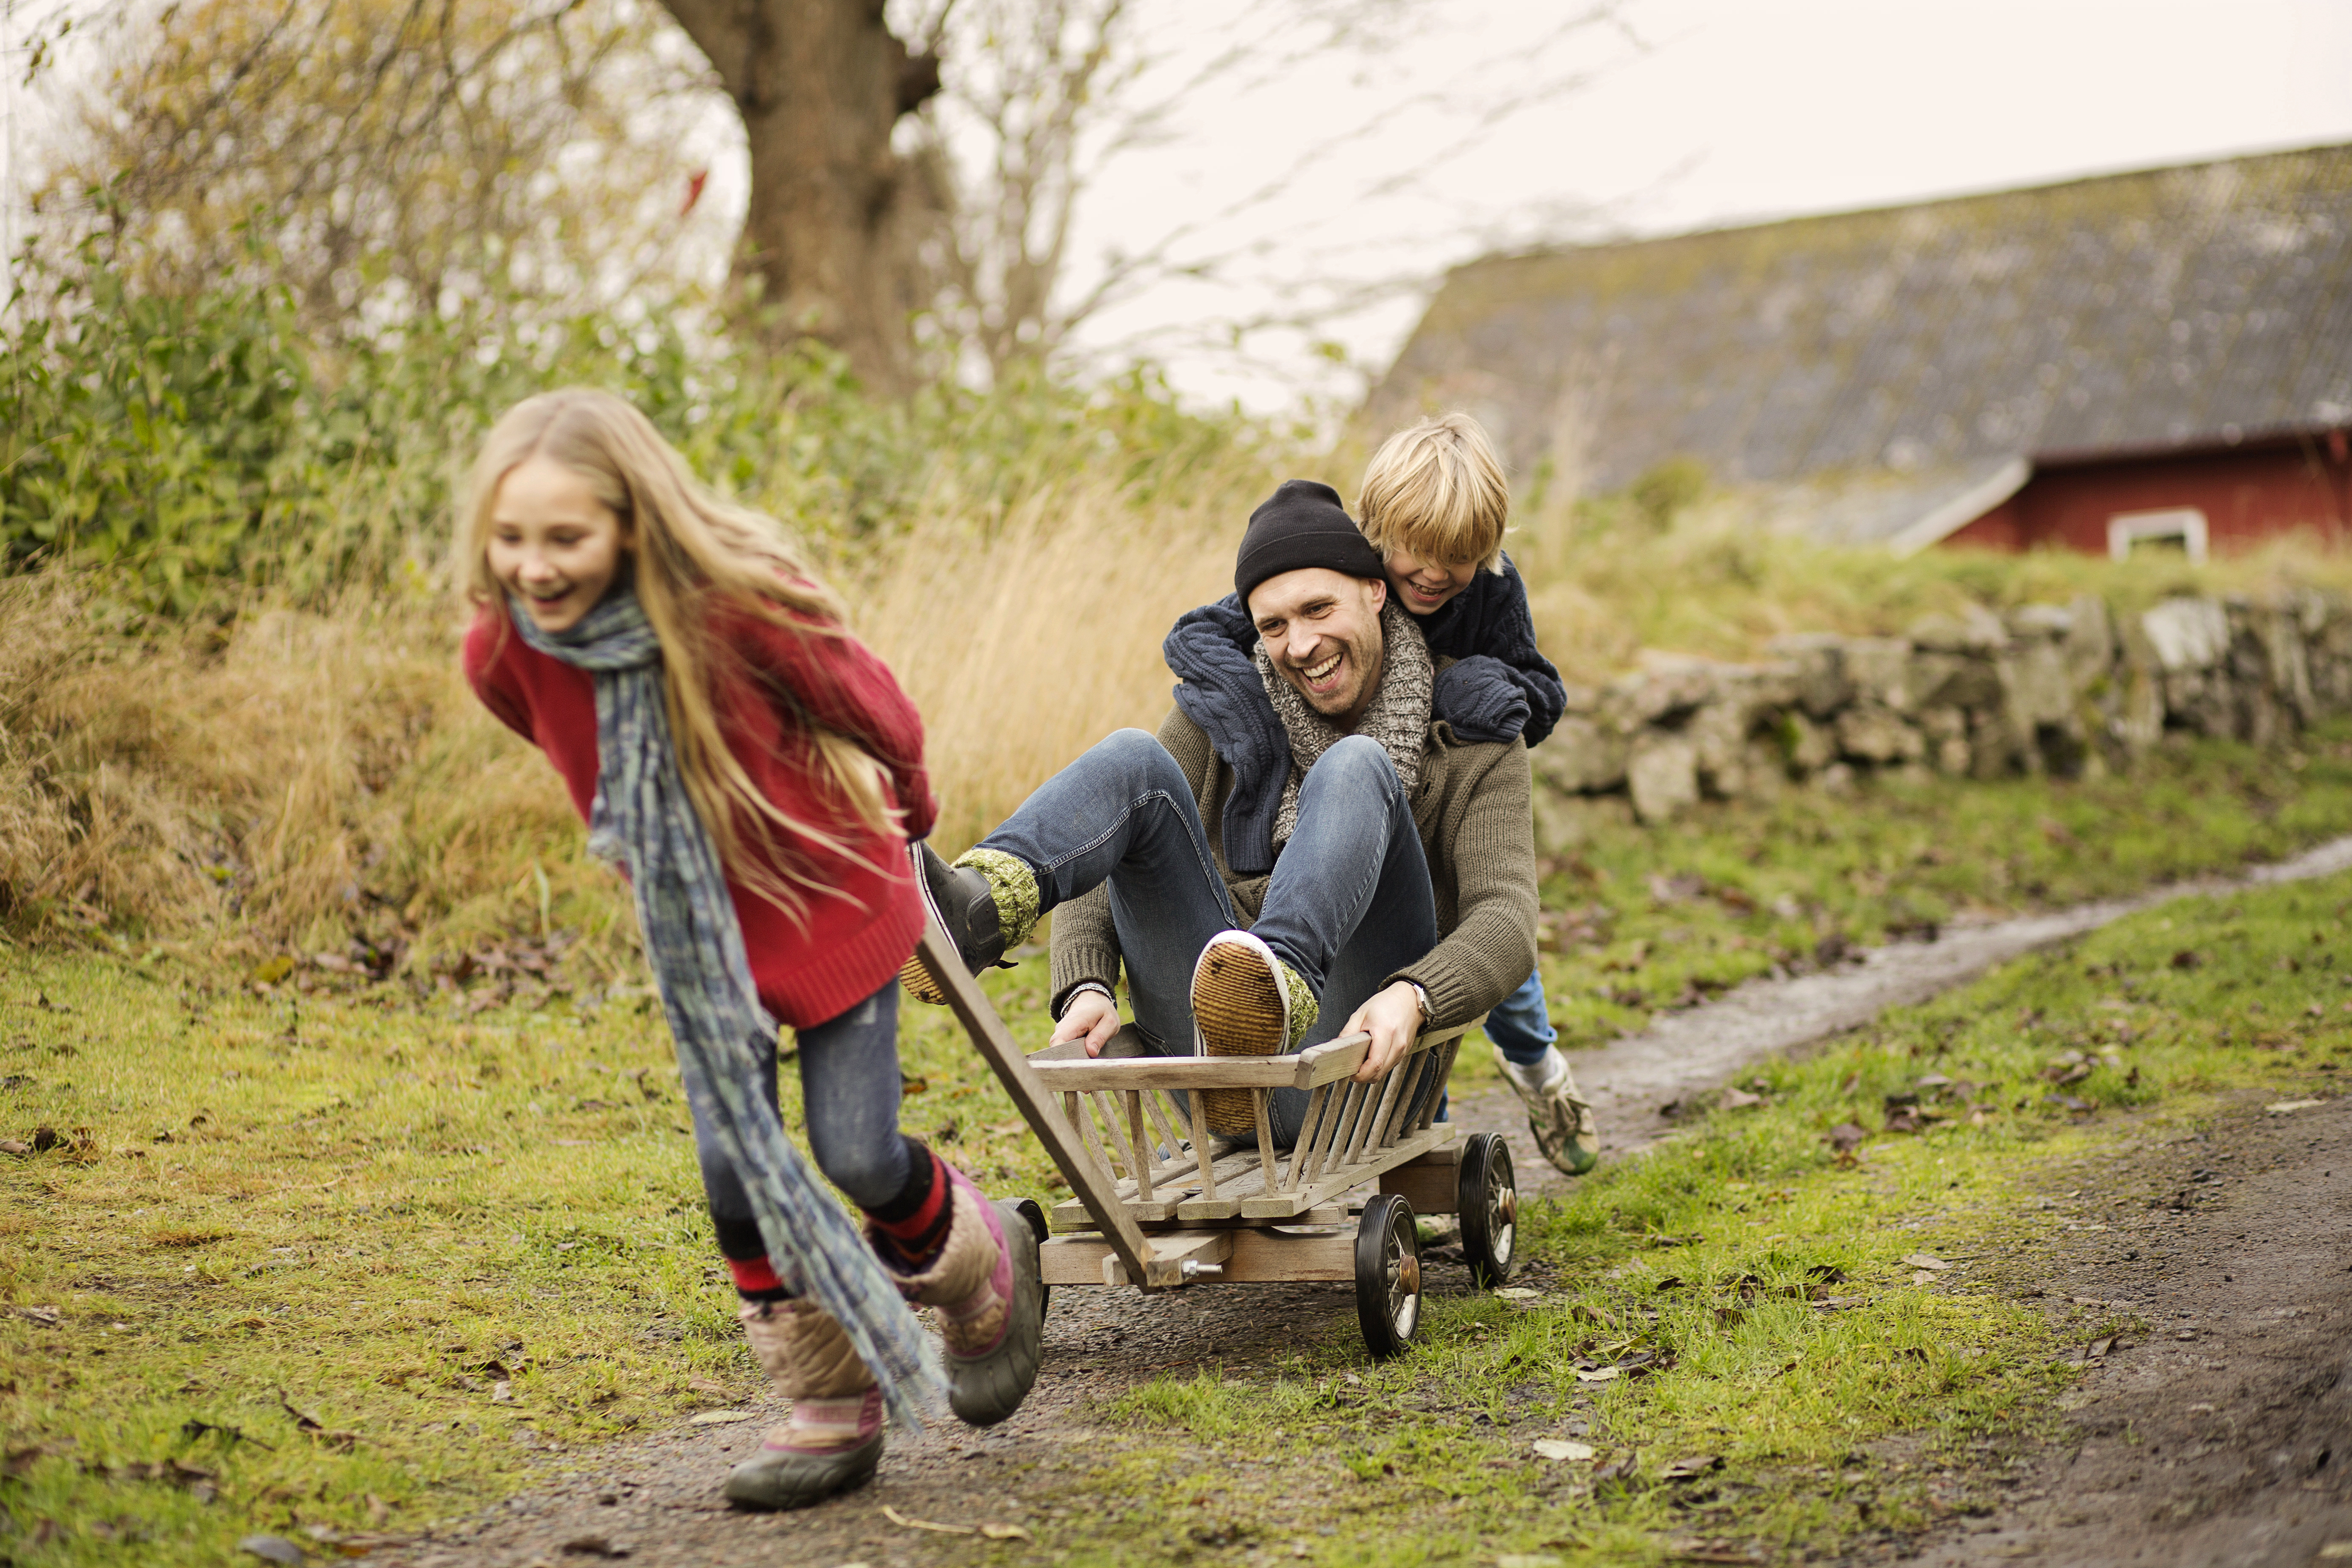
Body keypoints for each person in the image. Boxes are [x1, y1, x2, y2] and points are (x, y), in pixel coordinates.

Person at [456, 389, 1040, 1513]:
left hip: (832, 897)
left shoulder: (733, 612)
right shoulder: (505, 652)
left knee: (857, 1149)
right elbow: (570, 743)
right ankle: (828, 1398)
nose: (535, 567)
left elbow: (876, 708)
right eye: (512, 537)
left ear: (633, 523)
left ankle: (983, 1263)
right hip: (702, 937)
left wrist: (909, 809)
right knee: (733, 1167)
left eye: (566, 538)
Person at [904, 477, 1539, 1150]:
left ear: (1375, 591)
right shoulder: (1223, 708)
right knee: (1133, 759)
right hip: (1214, 1059)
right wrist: (1086, 984)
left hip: (1352, 1064)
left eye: (1318, 609)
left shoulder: (1475, 726)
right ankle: (977, 908)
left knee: (1355, 765)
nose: (1300, 645)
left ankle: (1279, 986)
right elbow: (1107, 837)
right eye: (1274, 625)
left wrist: (1416, 996)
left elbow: (1508, 917)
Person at [1155, 414, 1598, 1175]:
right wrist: (1204, 667)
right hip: (1364, 809)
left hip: (1446, 800)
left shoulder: (1492, 594)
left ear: (1487, 551)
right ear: (1374, 537)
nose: (1431, 573)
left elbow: (1540, 691)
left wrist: (1475, 689)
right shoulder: (1338, 571)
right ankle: (1418, 1139)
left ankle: (1540, 1075)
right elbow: (1231, 621)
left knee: (1503, 975)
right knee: (1394, 948)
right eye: (1413, 553)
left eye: (1457, 558)